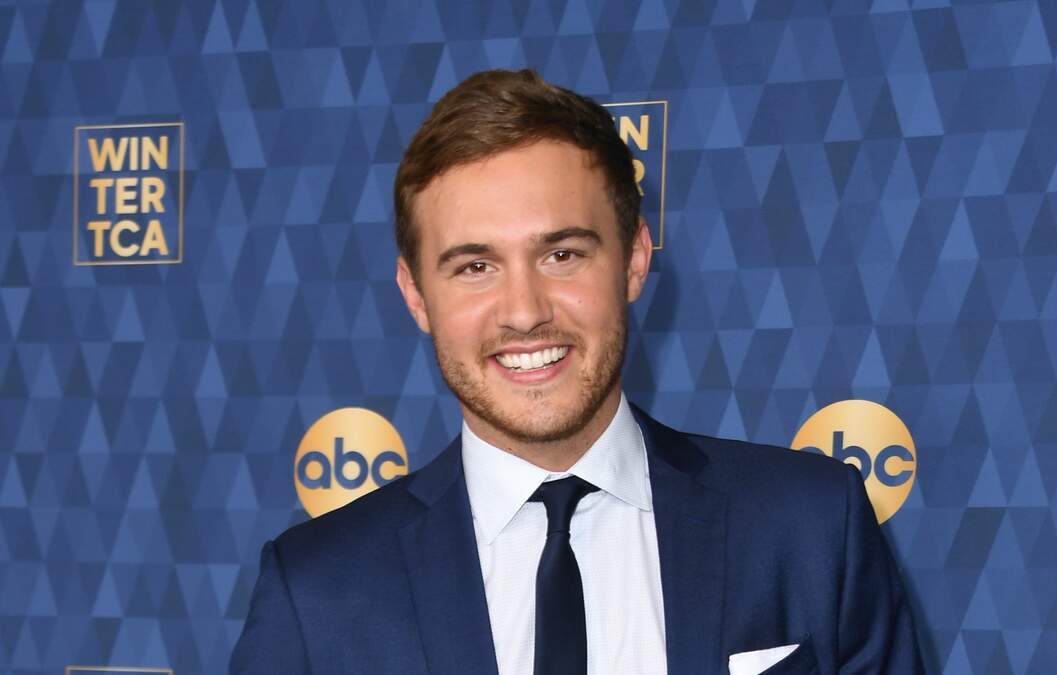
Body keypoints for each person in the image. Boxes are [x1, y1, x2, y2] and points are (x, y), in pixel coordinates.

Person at [230, 68, 924, 675]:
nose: (524, 312)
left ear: (635, 259)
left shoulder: (809, 528)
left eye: (562, 255)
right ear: (416, 296)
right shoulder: (317, 592)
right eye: (475, 266)